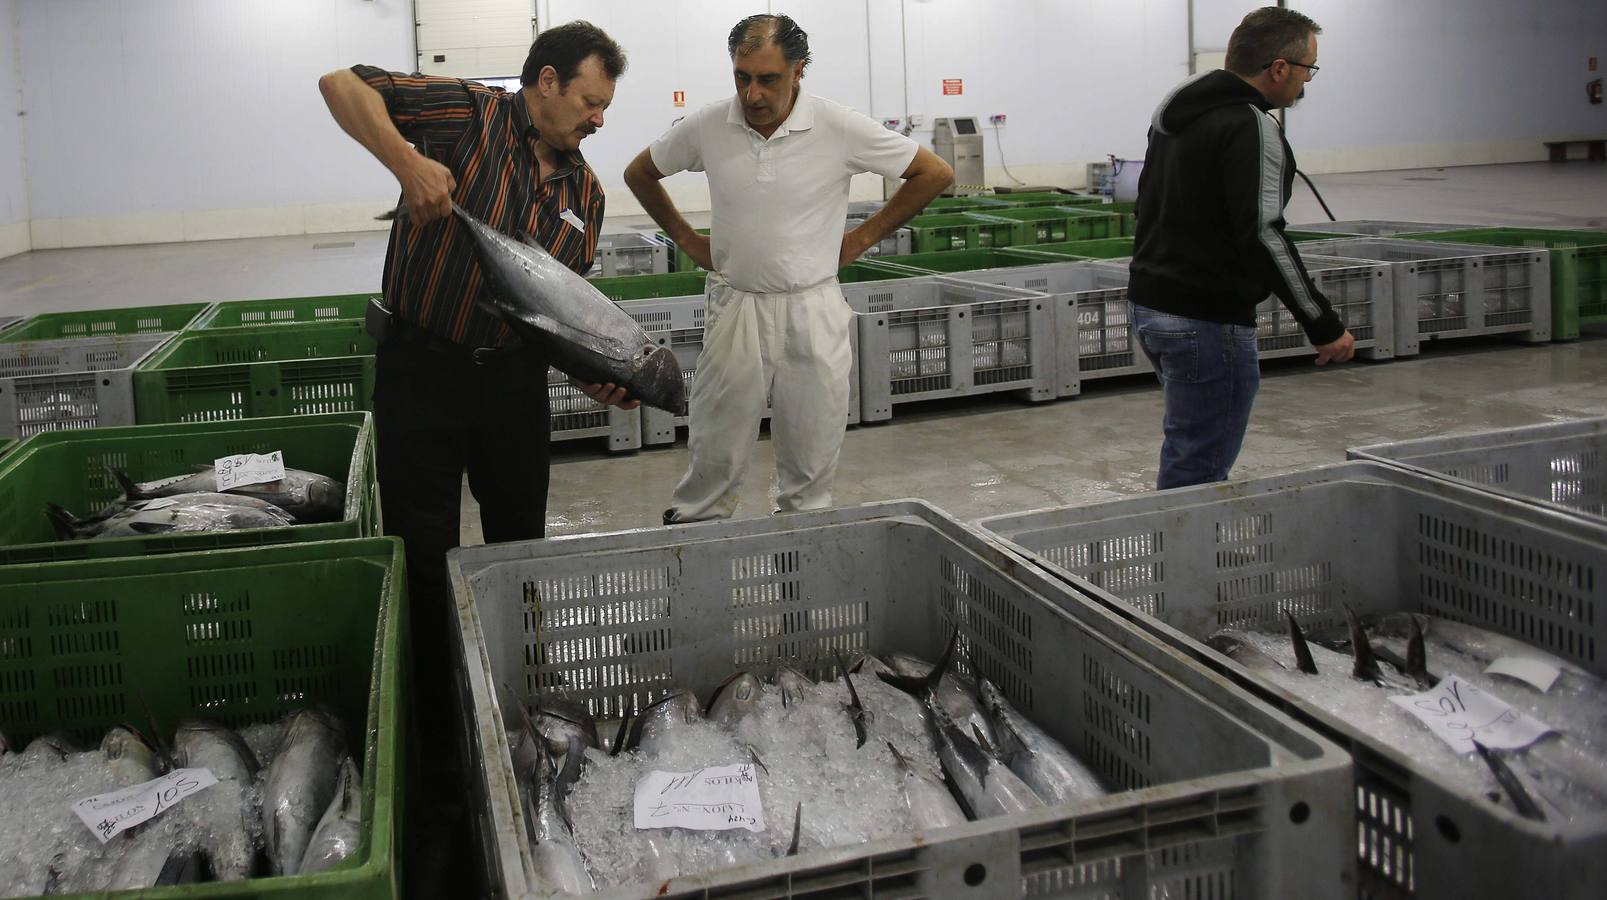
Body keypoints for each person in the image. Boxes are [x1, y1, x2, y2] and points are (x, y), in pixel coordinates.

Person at [317, 20, 630, 893]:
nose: (599, 119)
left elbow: (558, 310)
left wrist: (596, 373)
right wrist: (405, 163)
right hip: (421, 367)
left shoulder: (586, 194)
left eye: (606, 106)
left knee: (517, 546)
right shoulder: (466, 114)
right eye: (590, 102)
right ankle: (433, 745)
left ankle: (510, 699)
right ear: (544, 80)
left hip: (513, 386)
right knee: (422, 551)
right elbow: (342, 84)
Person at [623, 13, 953, 524]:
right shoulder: (710, 125)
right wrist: (688, 240)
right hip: (737, 308)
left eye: (768, 79)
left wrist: (861, 239)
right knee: (713, 456)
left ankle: (800, 576)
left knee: (811, 463)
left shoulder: (838, 126)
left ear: (799, 70)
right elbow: (640, 171)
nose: (752, 94)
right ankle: (700, 556)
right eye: (742, 76)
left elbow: (933, 172)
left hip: (812, 308)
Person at [1128, 6, 1355, 490]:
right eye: (1307, 69)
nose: (1306, 83)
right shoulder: (1249, 126)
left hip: (1151, 306)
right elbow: (1264, 234)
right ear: (1278, 68)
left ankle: (1188, 549)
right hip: (1207, 319)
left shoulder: (1174, 117)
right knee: (1200, 467)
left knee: (1188, 448)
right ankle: (1188, 559)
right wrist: (1322, 323)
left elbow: (1144, 206)